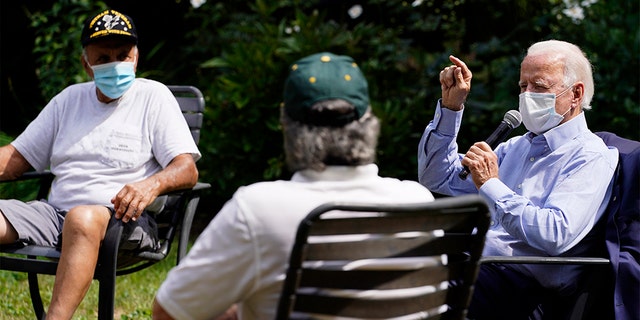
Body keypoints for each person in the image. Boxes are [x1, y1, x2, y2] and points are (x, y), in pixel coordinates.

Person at [152, 52, 435, 320]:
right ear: (370, 123)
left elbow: (168, 312)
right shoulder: (418, 202)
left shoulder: (258, 209)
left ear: (287, 126)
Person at [0, 9, 201, 320]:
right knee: (72, 217)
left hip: (123, 222)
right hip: (55, 216)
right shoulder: (68, 100)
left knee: (82, 218)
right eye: (104, 57)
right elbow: (14, 159)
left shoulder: (153, 97)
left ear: (136, 57)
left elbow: (187, 168)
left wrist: (152, 184)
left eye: (124, 54)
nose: (116, 64)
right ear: (87, 65)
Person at [417, 40, 619, 319]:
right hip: (475, 267)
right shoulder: (515, 147)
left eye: (539, 86)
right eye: (523, 87)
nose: (527, 96)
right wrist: (451, 108)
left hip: (526, 288)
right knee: (387, 277)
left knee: (417, 298)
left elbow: (554, 234)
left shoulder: (591, 156)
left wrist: (491, 185)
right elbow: (436, 177)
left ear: (576, 94)